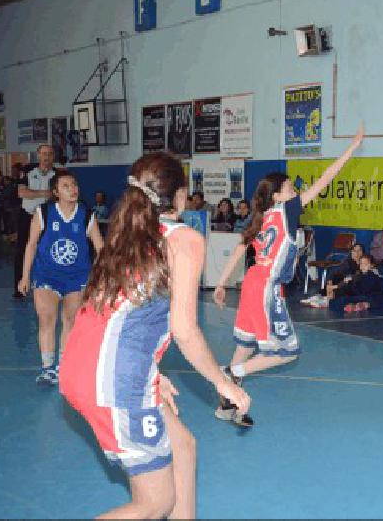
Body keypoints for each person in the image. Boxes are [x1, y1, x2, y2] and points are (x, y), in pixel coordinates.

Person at [59, 152, 250, 519]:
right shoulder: (184, 240)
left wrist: (153, 372)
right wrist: (223, 383)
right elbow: (184, 330)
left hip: (87, 363)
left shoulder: (124, 233)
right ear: (179, 196)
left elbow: (112, 311)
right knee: (156, 502)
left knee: (183, 445)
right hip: (114, 379)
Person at [212, 124, 365, 427]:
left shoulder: (259, 217)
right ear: (280, 195)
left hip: (252, 283)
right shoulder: (286, 211)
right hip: (267, 286)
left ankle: (227, 405)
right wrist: (352, 147)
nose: (296, 192)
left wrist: (220, 283)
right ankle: (232, 374)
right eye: (291, 189)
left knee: (245, 345)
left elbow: (239, 250)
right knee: (287, 352)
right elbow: (325, 179)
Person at [18, 171, 105, 385]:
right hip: (47, 275)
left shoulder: (86, 215)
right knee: (47, 319)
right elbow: (30, 245)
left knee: (70, 321)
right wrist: (24, 276)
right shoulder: (44, 213)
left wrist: (102, 277)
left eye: (74, 185)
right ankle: (48, 368)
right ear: (56, 192)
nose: (72, 189)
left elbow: (101, 248)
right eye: (66, 186)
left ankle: (63, 367)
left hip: (77, 278)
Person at [15, 146, 56, 299]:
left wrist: (33, 193)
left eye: (50, 154)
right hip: (27, 214)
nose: (47, 156)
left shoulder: (57, 175)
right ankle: (19, 287)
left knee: (48, 250)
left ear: (53, 157)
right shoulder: (28, 171)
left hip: (47, 217)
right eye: (44, 153)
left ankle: (49, 286)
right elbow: (22, 192)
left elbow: (57, 195)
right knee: (22, 250)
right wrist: (45, 193)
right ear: (38, 155)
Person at [302, 243, 365, 308]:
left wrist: (334, 287)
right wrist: (330, 284)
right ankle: (321, 296)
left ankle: (327, 300)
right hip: (341, 284)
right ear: (351, 252)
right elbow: (334, 272)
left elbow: (352, 279)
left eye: (359, 250)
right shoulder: (348, 262)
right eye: (354, 251)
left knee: (347, 285)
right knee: (335, 278)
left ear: (362, 252)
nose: (356, 253)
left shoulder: (363, 264)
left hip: (352, 287)